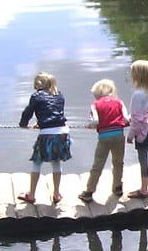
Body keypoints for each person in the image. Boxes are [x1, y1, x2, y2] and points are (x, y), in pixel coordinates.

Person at [18, 72, 71, 204]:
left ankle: (31, 195)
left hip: (46, 135)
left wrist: (23, 125)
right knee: (56, 162)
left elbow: (28, 112)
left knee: (37, 162)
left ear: (38, 84)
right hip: (62, 132)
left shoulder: (36, 96)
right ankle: (57, 194)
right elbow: (54, 113)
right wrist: (41, 123)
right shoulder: (59, 95)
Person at [79, 79, 129, 203]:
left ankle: (89, 192)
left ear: (98, 93)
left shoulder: (95, 104)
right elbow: (126, 119)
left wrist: (90, 126)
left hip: (104, 138)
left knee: (98, 165)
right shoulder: (119, 102)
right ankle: (117, 187)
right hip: (119, 136)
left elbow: (95, 121)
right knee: (118, 163)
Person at [126, 60, 148, 199]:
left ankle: (144, 189)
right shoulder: (147, 90)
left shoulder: (136, 95)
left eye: (132, 72)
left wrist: (130, 135)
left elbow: (135, 119)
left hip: (142, 131)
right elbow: (142, 111)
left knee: (142, 158)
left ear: (137, 75)